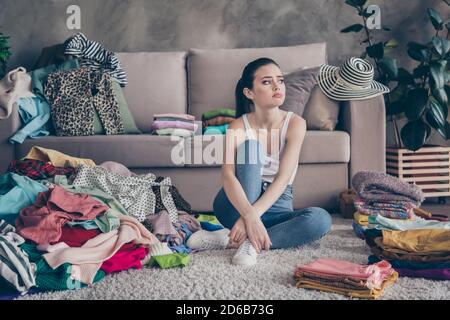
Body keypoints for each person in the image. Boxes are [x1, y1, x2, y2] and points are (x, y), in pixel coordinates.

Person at [187, 58, 332, 266]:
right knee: (252, 146)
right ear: (249, 92)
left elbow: (282, 180)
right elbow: (227, 175)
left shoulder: (296, 123)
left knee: (321, 219)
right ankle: (250, 232)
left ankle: (240, 241)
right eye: (266, 82)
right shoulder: (238, 126)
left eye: (280, 81)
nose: (277, 86)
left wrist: (253, 217)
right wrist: (248, 214)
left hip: (277, 205)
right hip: (235, 205)